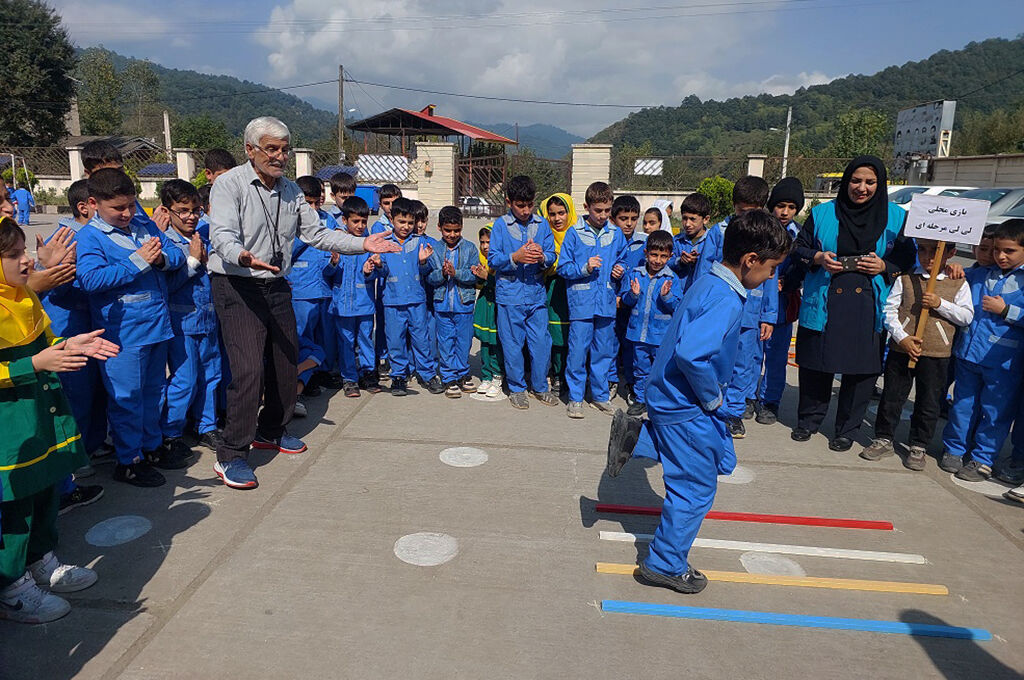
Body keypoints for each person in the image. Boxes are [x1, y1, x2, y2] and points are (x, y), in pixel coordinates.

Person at [207, 116, 399, 490]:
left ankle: (270, 432)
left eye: (284, 149)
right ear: (250, 150)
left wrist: (363, 244)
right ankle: (231, 454)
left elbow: (318, 234)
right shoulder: (229, 185)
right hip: (237, 283)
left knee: (285, 361)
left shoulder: (293, 191)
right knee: (248, 370)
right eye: (271, 149)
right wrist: (243, 256)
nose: (279, 156)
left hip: (276, 284)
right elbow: (223, 235)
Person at [606, 209, 790, 594]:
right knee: (696, 486)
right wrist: (713, 398)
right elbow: (692, 355)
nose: (772, 277)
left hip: (672, 396)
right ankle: (664, 564)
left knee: (721, 457)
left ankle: (636, 437)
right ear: (750, 261)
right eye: (771, 269)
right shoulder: (726, 298)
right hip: (686, 402)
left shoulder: (710, 280)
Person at [0, 216, 119, 624]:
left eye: (26, 253)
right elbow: (27, 359)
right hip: (10, 429)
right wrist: (33, 363)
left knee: (46, 490)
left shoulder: (22, 297)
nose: (28, 262)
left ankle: (41, 564)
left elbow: (45, 339)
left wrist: (69, 344)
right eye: (14, 256)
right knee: (16, 508)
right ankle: (12, 588)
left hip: (41, 415)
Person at [790, 156, 916, 450]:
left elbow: (909, 257)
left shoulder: (896, 216)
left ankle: (847, 429)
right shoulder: (822, 213)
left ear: (880, 184)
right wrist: (819, 258)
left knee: (860, 370)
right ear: (845, 182)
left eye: (870, 182)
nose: (861, 188)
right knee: (815, 364)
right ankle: (808, 421)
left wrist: (884, 266)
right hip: (824, 298)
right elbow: (799, 248)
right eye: (855, 181)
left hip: (868, 303)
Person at [76, 169, 188, 488]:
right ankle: (128, 460)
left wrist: (162, 259)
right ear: (94, 203)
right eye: (118, 209)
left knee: (153, 393)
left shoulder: (143, 224)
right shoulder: (90, 237)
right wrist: (137, 261)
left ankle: (151, 447)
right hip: (121, 334)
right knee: (126, 398)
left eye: (131, 205)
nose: (127, 214)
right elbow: (90, 280)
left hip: (155, 325)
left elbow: (176, 254)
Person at [859, 239, 973, 470]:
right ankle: (884, 438)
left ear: (950, 253)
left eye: (935, 251)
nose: (927, 256)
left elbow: (966, 316)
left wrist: (940, 303)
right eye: (922, 249)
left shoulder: (957, 284)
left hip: (936, 353)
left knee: (928, 401)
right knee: (892, 396)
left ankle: (919, 444)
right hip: (903, 349)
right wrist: (902, 337)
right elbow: (889, 311)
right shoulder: (906, 279)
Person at [940, 219, 1024, 481]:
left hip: (1004, 363)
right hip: (968, 355)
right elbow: (952, 279)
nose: (1000, 256)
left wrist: (1008, 311)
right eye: (997, 249)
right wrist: (952, 268)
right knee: (963, 405)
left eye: (1009, 251)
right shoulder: (980, 274)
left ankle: (982, 459)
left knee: (995, 412)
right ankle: (954, 449)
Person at [159, 180, 223, 454]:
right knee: (184, 379)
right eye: (182, 210)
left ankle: (205, 426)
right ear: (167, 211)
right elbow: (166, 287)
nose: (191, 216)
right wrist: (193, 261)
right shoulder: (165, 243)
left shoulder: (204, 237)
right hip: (181, 324)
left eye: (195, 210)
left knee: (211, 375)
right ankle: (171, 432)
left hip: (208, 320)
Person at [488, 175, 559, 410]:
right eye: (520, 205)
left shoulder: (542, 224)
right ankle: (517, 388)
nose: (526, 210)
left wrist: (543, 257)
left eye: (529, 205)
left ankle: (540, 386)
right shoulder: (500, 226)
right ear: (509, 202)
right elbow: (493, 258)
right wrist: (514, 258)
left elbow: (552, 254)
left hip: (536, 295)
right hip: (510, 296)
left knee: (541, 343)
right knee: (512, 343)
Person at [557, 181, 627, 418]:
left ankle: (600, 396)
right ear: (587, 207)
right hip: (582, 304)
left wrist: (620, 269)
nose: (603, 216)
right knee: (577, 351)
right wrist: (585, 268)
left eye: (607, 211)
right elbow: (563, 268)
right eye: (598, 211)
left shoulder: (616, 234)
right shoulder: (574, 234)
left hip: (606, 303)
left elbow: (623, 259)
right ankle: (575, 397)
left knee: (603, 352)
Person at [714, 179, 777, 439]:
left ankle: (734, 413)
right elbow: (704, 273)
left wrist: (769, 316)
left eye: (753, 211)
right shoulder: (718, 232)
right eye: (742, 211)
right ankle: (714, 409)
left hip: (751, 315)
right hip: (721, 312)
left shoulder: (768, 235)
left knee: (744, 365)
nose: (747, 217)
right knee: (717, 362)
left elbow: (772, 278)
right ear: (734, 206)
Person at [376, 197, 441, 396]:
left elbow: (429, 271)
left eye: (410, 223)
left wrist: (423, 262)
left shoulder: (420, 242)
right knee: (395, 340)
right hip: (393, 302)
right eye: (401, 222)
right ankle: (398, 376)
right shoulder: (384, 243)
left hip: (416, 301)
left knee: (421, 339)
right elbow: (382, 272)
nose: (406, 227)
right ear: (392, 220)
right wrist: (378, 265)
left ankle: (427, 374)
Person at [755, 178, 805, 425]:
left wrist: (790, 281)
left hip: (783, 306)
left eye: (791, 207)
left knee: (776, 356)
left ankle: (769, 401)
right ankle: (743, 398)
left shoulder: (801, 236)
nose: (785, 212)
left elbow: (804, 265)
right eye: (780, 205)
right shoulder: (760, 231)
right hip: (755, 303)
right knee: (750, 354)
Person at [618, 230, 682, 416]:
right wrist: (633, 294)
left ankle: (660, 400)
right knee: (640, 368)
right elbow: (625, 302)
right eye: (654, 255)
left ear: (670, 256)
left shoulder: (671, 279)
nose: (657, 260)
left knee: (662, 370)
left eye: (663, 256)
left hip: (661, 336)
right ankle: (640, 399)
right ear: (646, 253)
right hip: (638, 334)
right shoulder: (635, 275)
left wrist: (666, 296)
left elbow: (677, 306)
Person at [289, 176, 341, 394]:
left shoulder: (328, 221)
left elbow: (334, 254)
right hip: (301, 291)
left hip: (324, 290)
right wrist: (307, 235)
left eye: (316, 202)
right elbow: (285, 255)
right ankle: (302, 379)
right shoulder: (290, 224)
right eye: (307, 203)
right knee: (303, 337)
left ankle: (322, 373)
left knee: (327, 336)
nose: (312, 208)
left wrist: (333, 262)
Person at [425, 206, 483, 398]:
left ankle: (462, 373)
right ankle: (449, 376)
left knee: (464, 342)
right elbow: (430, 278)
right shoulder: (435, 249)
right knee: (446, 342)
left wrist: (455, 273)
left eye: (456, 230)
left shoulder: (470, 248)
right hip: (442, 306)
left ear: (462, 227)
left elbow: (473, 276)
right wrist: (442, 273)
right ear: (439, 227)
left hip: (464, 306)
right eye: (448, 230)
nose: (452, 234)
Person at [329, 196, 379, 397]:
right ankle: (349, 378)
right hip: (342, 305)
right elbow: (327, 274)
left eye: (363, 222)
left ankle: (368, 373)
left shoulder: (369, 244)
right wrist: (333, 263)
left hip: (365, 304)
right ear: (344, 221)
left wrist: (369, 271)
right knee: (346, 341)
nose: (360, 226)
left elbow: (377, 271)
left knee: (366, 338)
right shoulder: (337, 244)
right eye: (355, 221)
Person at [539, 193, 576, 394]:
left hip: (576, 290)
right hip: (553, 289)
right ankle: (556, 374)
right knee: (555, 336)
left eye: (562, 213)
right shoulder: (545, 235)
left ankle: (571, 376)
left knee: (575, 336)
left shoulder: (579, 233)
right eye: (552, 214)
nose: (557, 219)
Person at [611, 195, 644, 401]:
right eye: (624, 218)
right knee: (610, 345)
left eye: (633, 218)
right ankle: (611, 380)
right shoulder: (609, 240)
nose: (629, 223)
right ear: (614, 219)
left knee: (632, 347)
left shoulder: (644, 243)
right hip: (612, 303)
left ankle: (632, 384)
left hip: (634, 305)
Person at [473, 225, 504, 398]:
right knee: (485, 342)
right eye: (482, 242)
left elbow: (504, 284)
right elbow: (478, 285)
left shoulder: (502, 261)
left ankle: (497, 376)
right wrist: (477, 277)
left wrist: (488, 277)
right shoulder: (481, 261)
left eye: (489, 242)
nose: (485, 246)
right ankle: (486, 376)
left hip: (498, 307)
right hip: (485, 305)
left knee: (496, 343)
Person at [669, 193, 720, 292]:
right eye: (684, 218)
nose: (687, 224)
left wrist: (700, 262)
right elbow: (665, 262)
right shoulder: (676, 241)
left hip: (704, 294)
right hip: (679, 296)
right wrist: (680, 262)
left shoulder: (714, 241)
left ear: (706, 219)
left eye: (692, 219)